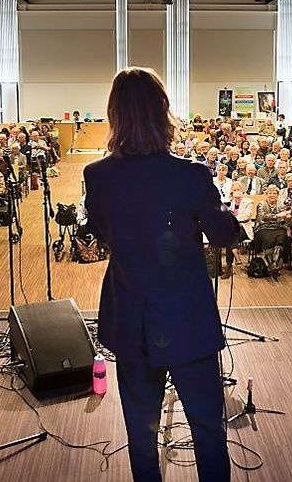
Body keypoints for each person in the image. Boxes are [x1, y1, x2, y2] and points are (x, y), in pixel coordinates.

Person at [83, 67, 236, 482]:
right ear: (163, 112)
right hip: (187, 318)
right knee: (207, 428)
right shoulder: (191, 175)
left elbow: (100, 230)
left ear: (114, 115)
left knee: (140, 431)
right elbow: (226, 234)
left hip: (131, 318)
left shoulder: (97, 176)